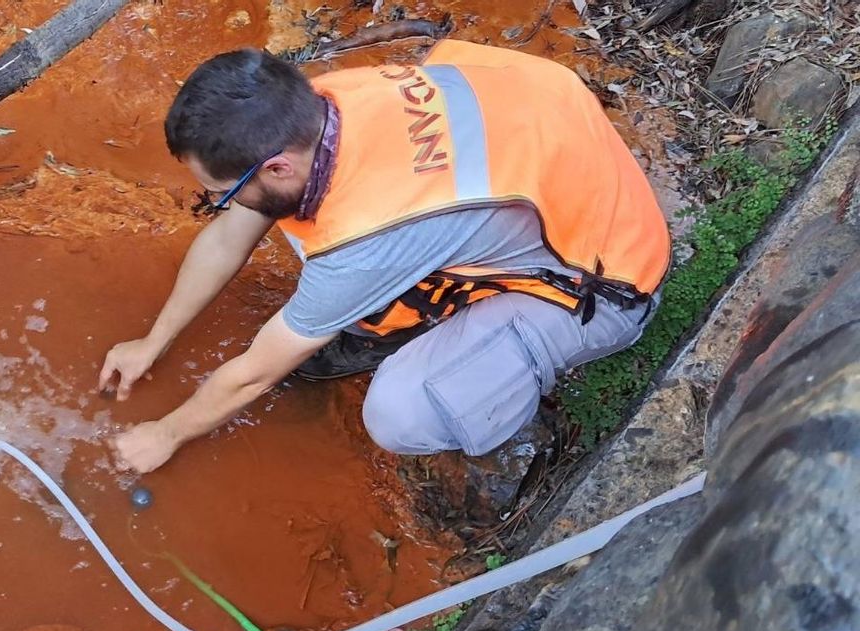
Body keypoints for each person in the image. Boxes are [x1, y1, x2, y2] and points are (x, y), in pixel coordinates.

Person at [101, 39, 670, 474]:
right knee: (296, 224)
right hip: (559, 180)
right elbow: (232, 233)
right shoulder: (324, 104)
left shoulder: (368, 237)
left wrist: (167, 434)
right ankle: (434, 299)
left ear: (276, 166)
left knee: (400, 413)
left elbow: (254, 375)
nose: (219, 205)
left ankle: (494, 382)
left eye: (220, 192)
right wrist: (155, 339)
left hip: (605, 281)